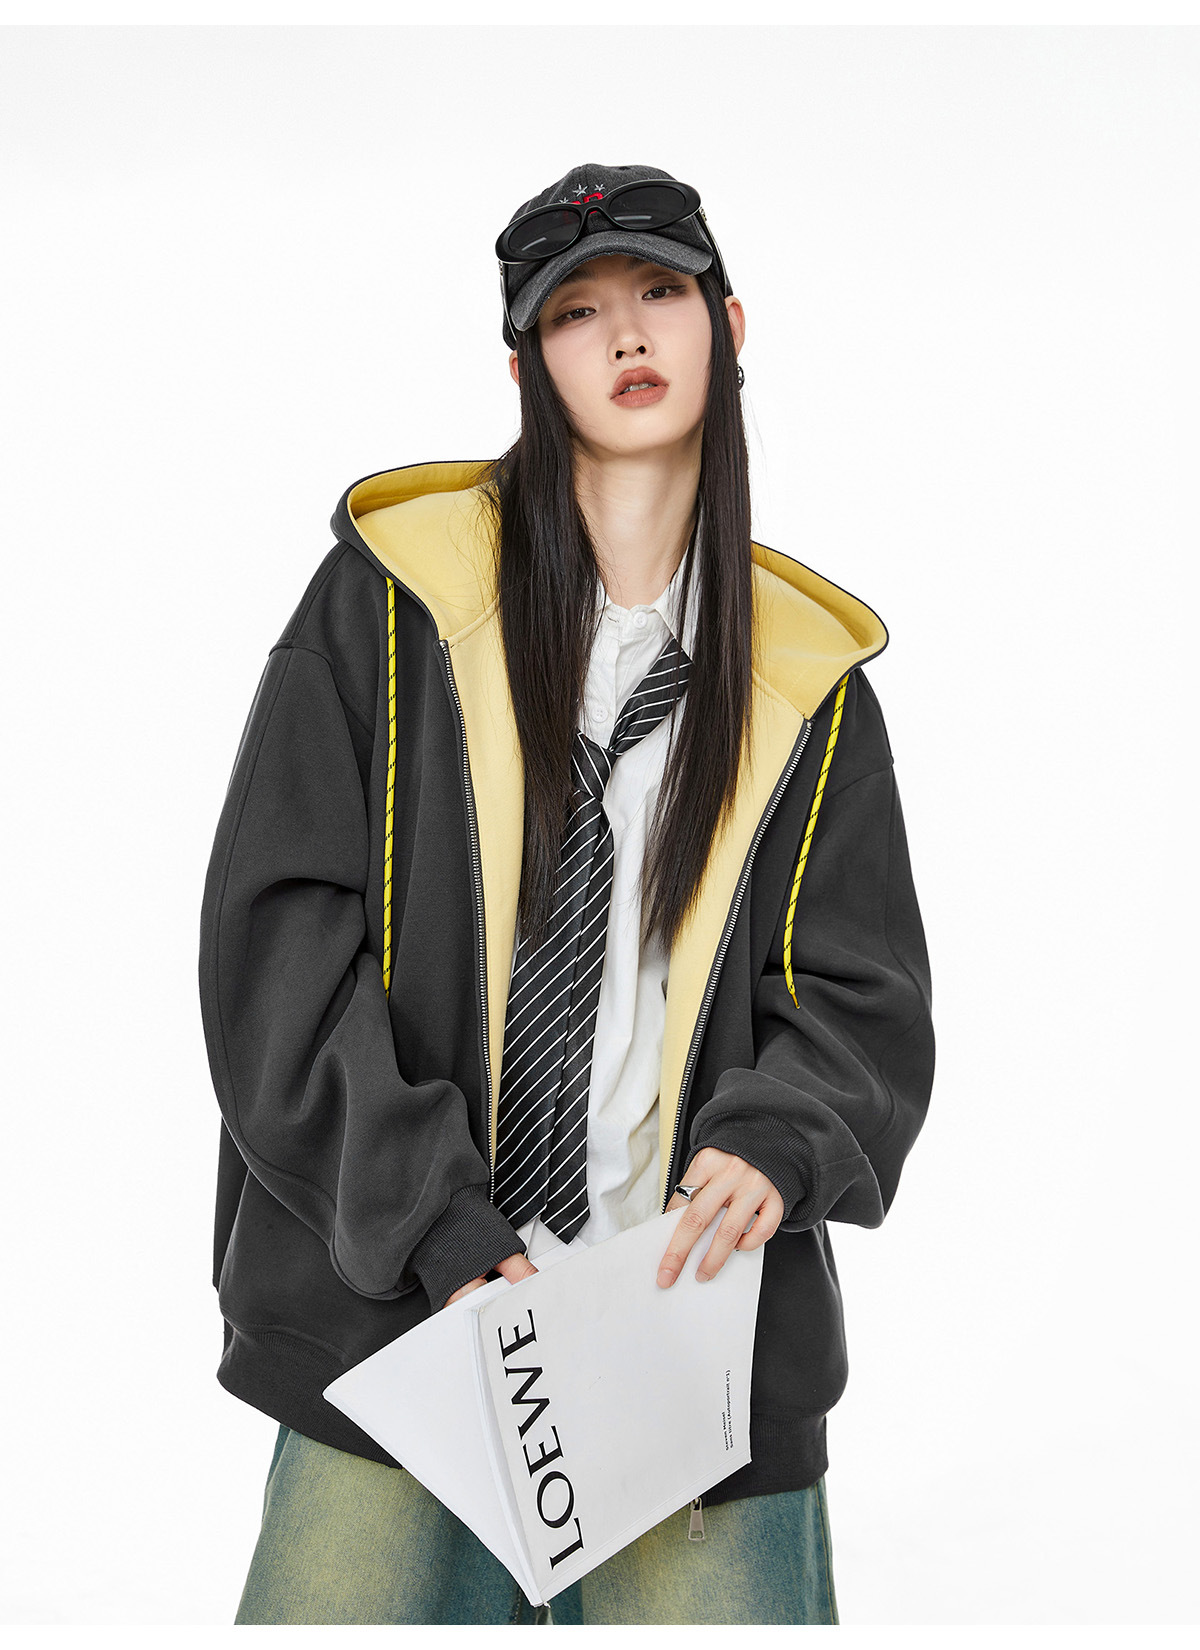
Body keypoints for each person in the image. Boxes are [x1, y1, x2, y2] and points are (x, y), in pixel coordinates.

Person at [197, 160, 936, 1627]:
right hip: (401, 1323)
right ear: (528, 365)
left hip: (685, 1334)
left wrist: (781, 1140)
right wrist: (434, 1222)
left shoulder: (804, 681)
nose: (627, 334)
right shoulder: (388, 607)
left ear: (729, 323)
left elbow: (865, 996)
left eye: (661, 292)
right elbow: (277, 954)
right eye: (575, 313)